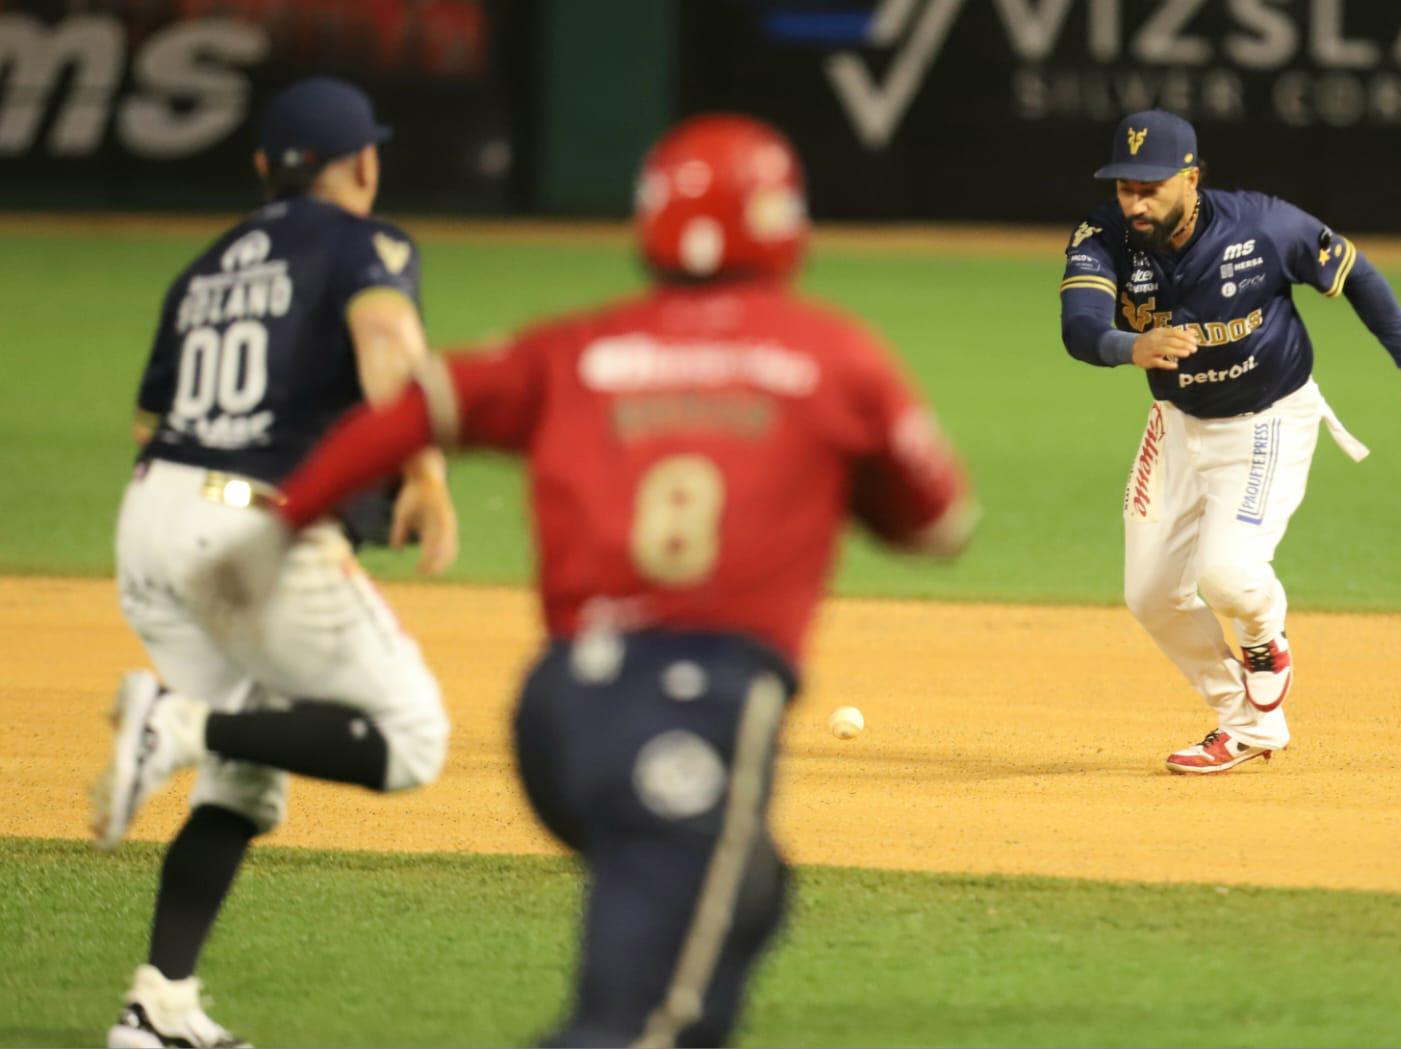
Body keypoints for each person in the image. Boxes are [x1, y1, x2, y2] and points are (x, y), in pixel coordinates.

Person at [196, 113, 976, 1046]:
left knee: (748, 896)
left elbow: (418, 402)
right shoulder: (830, 356)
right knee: (631, 1020)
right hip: (695, 707)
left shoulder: (575, 348)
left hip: (558, 713)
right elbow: (939, 524)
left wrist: (285, 526)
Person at [91, 77, 457, 1047]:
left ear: (264, 170)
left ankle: (156, 1005)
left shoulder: (203, 269)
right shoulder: (363, 241)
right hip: (246, 528)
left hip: (152, 517)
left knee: (243, 776)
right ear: (364, 163)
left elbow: (147, 420)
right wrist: (423, 470)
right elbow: (386, 339)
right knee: (412, 735)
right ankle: (169, 718)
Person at [1059, 109, 1401, 776]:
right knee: (1150, 596)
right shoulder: (1102, 235)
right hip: (1177, 426)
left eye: (1151, 185)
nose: (1135, 200)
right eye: (1125, 186)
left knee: (1228, 576)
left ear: (1191, 177)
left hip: (1266, 418)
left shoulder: (1261, 225)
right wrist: (1131, 347)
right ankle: (1247, 722)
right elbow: (1079, 327)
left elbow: (1358, 275)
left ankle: (1264, 639)